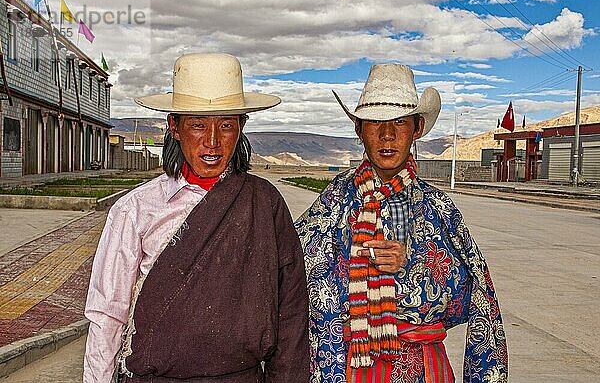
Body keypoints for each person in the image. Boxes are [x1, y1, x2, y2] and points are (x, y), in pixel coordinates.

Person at [84, 53, 309, 382]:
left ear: (242, 126)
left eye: (227, 125)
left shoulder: (265, 203)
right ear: (174, 126)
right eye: (199, 125)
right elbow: (108, 316)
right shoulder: (135, 210)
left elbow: (291, 311)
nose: (213, 142)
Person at [295, 64, 508, 383]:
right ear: (359, 129)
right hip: (346, 368)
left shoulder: (439, 209)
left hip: (422, 370)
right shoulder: (334, 201)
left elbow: (475, 296)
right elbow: (290, 268)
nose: (387, 136)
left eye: (399, 122)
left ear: (417, 127)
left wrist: (413, 264)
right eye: (375, 123)